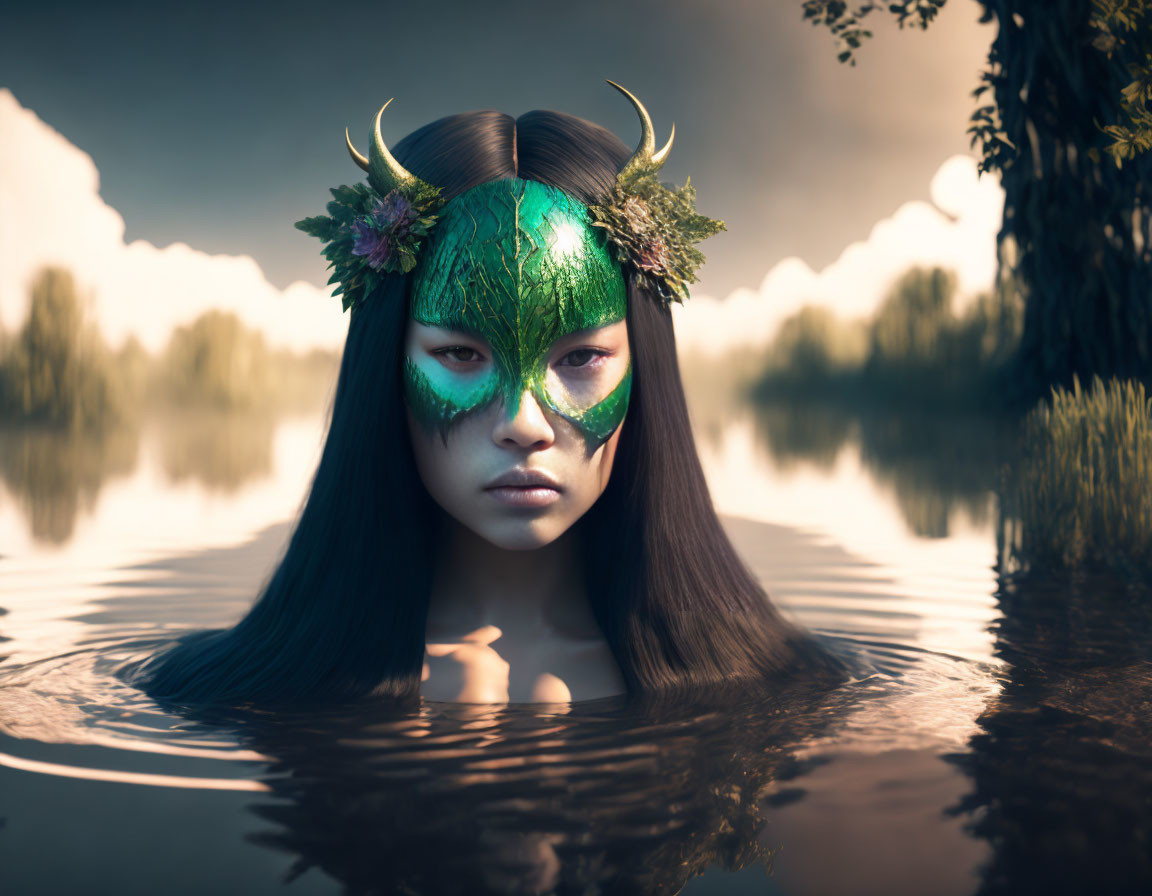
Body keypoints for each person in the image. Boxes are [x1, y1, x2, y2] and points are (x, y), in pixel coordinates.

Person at [136, 83, 841, 707]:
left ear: (644, 366)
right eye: (462, 354)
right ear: (387, 365)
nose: (524, 424)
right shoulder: (244, 694)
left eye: (584, 356)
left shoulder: (778, 685)